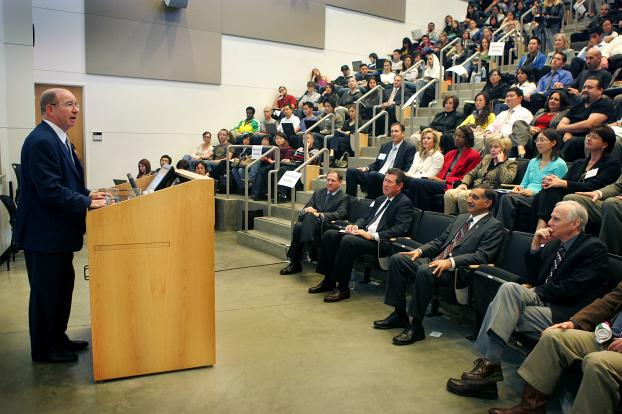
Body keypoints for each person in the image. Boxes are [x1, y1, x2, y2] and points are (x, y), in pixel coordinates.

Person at [447, 201, 609, 400]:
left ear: (575, 224)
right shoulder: (555, 243)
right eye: (550, 217)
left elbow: (573, 289)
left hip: (566, 312)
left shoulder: (593, 248)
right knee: (506, 296)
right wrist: (535, 247)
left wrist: (537, 291)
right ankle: (489, 368)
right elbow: (533, 277)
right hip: (543, 302)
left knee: (502, 304)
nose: (549, 222)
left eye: (555, 219)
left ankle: (489, 367)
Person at [14, 88, 108, 363]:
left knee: (61, 289)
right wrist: (86, 204)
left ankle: (58, 337)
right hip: (44, 235)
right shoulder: (42, 141)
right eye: (69, 104)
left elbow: (71, 184)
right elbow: (50, 190)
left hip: (58, 235)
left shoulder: (62, 140)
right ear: (49, 109)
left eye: (76, 104)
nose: (76, 109)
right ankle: (45, 349)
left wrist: (88, 194)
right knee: (46, 294)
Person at [374, 185, 504, 345]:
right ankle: (399, 314)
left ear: (488, 203)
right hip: (436, 261)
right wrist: (420, 251)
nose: (469, 200)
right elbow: (440, 241)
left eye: (475, 197)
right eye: (469, 196)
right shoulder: (461, 218)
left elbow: (482, 256)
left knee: (424, 271)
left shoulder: (494, 226)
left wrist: (450, 261)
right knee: (397, 259)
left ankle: (415, 325)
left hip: (456, 271)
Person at [488, 281, 622, 414]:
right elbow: (610, 301)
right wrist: (574, 322)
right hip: (609, 336)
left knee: (597, 363)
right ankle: (530, 408)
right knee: (553, 336)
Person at [309, 169, 413, 302]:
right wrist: (356, 226)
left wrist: (373, 235)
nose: (385, 184)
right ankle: (328, 281)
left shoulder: (404, 203)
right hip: (364, 235)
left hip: (379, 242)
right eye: (384, 180)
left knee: (347, 241)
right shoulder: (380, 199)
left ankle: (343, 288)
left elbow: (400, 229)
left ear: (399, 186)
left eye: (390, 182)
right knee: (330, 234)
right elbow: (366, 218)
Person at [534, 125, 620, 231]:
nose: (588, 138)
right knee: (549, 189)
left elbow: (592, 186)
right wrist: (554, 180)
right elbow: (566, 181)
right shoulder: (579, 162)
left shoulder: (612, 164)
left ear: (605, 144)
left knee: (556, 193)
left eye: (594, 137)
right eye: (588, 135)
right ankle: (542, 229)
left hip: (590, 198)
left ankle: (543, 230)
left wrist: (562, 183)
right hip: (573, 193)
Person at [495, 129, 568, 231]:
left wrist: (533, 192)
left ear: (553, 143)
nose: (538, 143)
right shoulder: (533, 161)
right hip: (525, 194)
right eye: (537, 140)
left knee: (507, 198)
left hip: (541, 198)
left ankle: (500, 230)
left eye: (542, 140)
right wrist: (519, 188)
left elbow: (554, 190)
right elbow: (524, 183)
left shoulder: (560, 164)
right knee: (496, 195)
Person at [280, 170, 349, 275]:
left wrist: (320, 215)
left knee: (299, 226)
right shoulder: (318, 192)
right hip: (311, 222)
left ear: (340, 182)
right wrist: (309, 210)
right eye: (328, 180)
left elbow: (340, 213)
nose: (329, 182)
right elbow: (307, 206)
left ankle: (295, 262)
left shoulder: (343, 197)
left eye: (333, 181)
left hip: (326, 224)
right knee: (304, 220)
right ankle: (306, 247)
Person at [405, 126, 481, 211]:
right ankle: (420, 212)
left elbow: (467, 177)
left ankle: (421, 213)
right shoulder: (450, 153)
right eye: (455, 135)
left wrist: (444, 180)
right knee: (416, 184)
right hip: (441, 181)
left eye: (460, 136)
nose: (456, 138)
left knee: (417, 182)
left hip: (453, 184)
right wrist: (436, 179)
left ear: (467, 139)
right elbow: (442, 172)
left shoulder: (474, 155)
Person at [444, 137, 517, 215]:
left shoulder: (511, 164)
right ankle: (450, 221)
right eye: (491, 147)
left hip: (488, 192)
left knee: (464, 196)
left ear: (504, 149)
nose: (492, 149)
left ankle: (466, 223)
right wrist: (464, 183)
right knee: (449, 194)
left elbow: (505, 180)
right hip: (474, 188)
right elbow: (472, 173)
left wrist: (501, 163)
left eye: (496, 147)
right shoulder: (487, 158)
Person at [345, 123, 415, 199]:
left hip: (390, 177)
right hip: (376, 175)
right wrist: (367, 168)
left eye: (396, 131)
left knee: (373, 174)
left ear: (403, 133)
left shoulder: (409, 148)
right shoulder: (385, 146)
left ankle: (370, 200)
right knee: (351, 171)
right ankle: (350, 200)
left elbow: (407, 169)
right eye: (392, 131)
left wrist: (391, 173)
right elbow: (377, 163)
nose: (393, 134)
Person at [557, 77, 615, 162]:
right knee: (547, 136)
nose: (585, 90)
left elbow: (589, 125)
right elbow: (560, 125)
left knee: (573, 142)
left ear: (600, 90)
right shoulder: (579, 105)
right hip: (570, 135)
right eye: (584, 87)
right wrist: (567, 131)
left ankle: (557, 167)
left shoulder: (604, 104)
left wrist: (566, 130)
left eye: (589, 87)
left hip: (589, 138)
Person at [484, 87, 534, 158]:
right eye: (507, 96)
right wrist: (488, 130)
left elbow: (521, 130)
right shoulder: (503, 113)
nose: (508, 98)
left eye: (511, 96)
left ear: (520, 98)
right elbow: (493, 125)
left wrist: (499, 135)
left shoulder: (525, 112)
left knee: (489, 139)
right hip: (495, 137)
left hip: (509, 139)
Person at [251, 132, 294, 200]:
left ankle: (276, 194)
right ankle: (259, 193)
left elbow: (286, 160)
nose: (278, 140)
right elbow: (269, 158)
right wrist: (266, 159)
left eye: (280, 138)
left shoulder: (289, 149)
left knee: (266, 170)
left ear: (285, 140)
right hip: (274, 165)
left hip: (282, 166)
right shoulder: (274, 148)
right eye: (277, 138)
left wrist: (271, 161)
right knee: (261, 170)